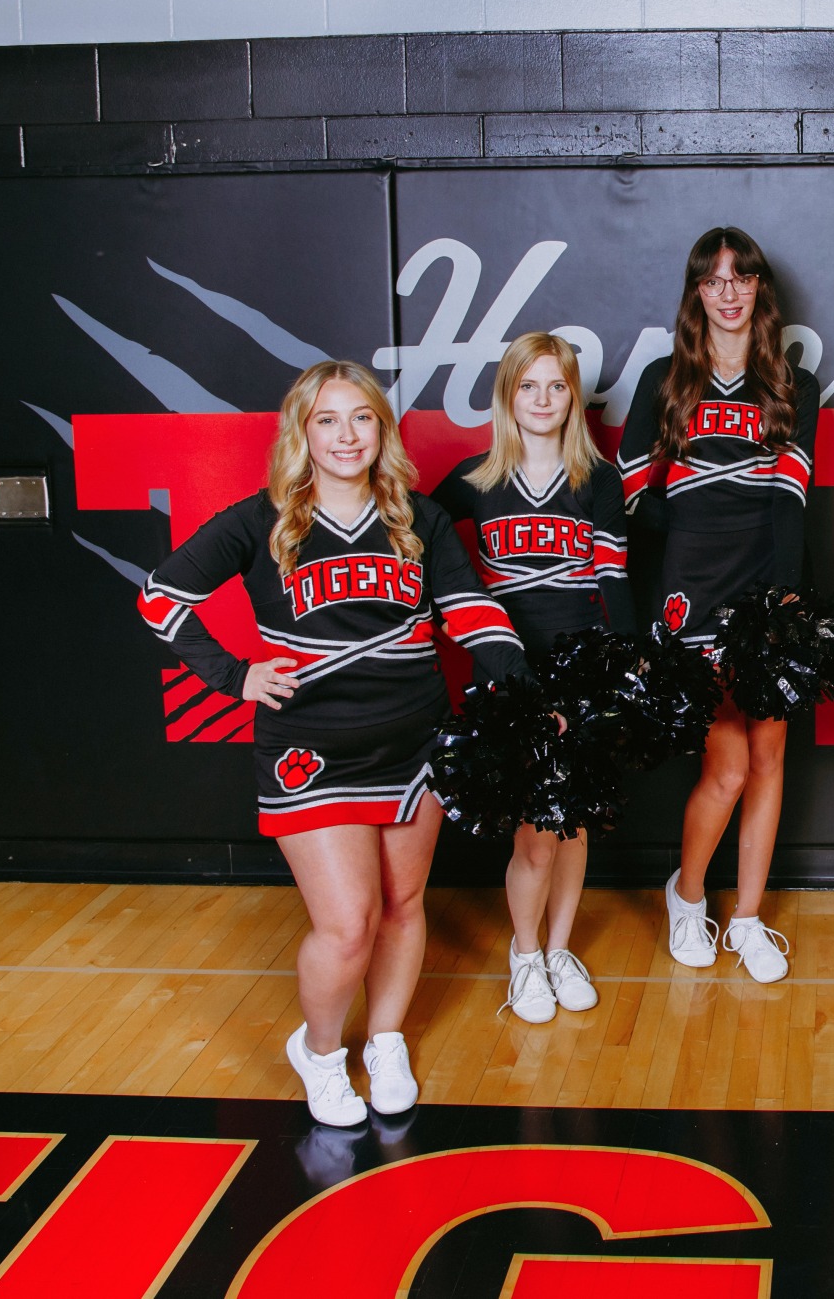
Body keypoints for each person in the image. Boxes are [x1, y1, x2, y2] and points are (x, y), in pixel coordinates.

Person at [139, 361, 529, 1126]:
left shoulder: (418, 518)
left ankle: (384, 1039)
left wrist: (525, 685)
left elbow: (470, 610)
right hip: (310, 749)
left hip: (417, 740)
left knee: (404, 905)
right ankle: (320, 1052)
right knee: (348, 921)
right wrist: (234, 674)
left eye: (361, 418)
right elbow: (160, 595)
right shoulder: (264, 520)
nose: (346, 434)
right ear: (302, 432)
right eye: (327, 419)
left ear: (382, 429)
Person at [615, 227, 820, 984]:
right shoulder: (664, 380)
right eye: (714, 280)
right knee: (726, 766)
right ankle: (689, 894)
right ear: (697, 292)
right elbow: (634, 492)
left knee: (769, 760)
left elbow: (789, 504)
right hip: (688, 592)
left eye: (742, 278)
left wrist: (786, 606)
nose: (728, 293)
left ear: (759, 289)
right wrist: (692, 541)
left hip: (763, 591)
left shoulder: (792, 388)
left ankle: (747, 917)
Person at [433, 333, 635, 1025]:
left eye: (557, 387)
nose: (543, 400)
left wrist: (630, 664)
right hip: (508, 675)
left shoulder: (598, 480)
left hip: (579, 668)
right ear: (507, 395)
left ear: (573, 397)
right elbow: (422, 545)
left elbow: (613, 577)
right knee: (533, 833)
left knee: (573, 822)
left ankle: (557, 949)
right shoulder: (473, 479)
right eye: (529, 386)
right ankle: (524, 956)